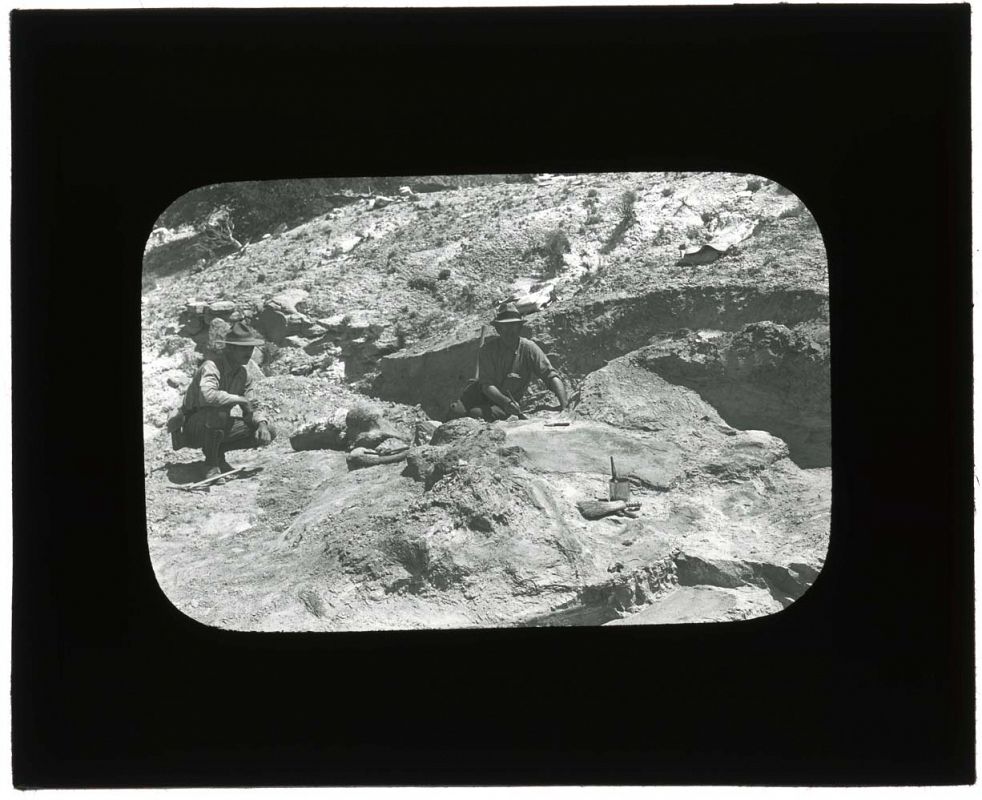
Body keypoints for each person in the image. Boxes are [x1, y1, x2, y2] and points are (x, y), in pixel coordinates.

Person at [174, 321, 277, 480]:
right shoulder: (211, 366)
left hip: (216, 426)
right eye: (243, 348)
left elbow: (252, 404)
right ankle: (211, 464)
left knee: (267, 429)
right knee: (219, 411)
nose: (248, 353)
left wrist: (261, 423)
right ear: (230, 348)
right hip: (192, 427)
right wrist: (241, 400)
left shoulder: (243, 374)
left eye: (250, 348)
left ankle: (217, 454)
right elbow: (208, 396)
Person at [449, 303, 568, 422]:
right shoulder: (487, 350)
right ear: (498, 329)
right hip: (481, 394)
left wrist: (564, 406)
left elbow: (551, 376)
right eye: (505, 327)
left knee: (476, 414)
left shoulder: (529, 349)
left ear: (519, 327)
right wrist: (507, 402)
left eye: (513, 326)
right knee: (455, 412)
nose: (509, 331)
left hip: (502, 404)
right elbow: (487, 386)